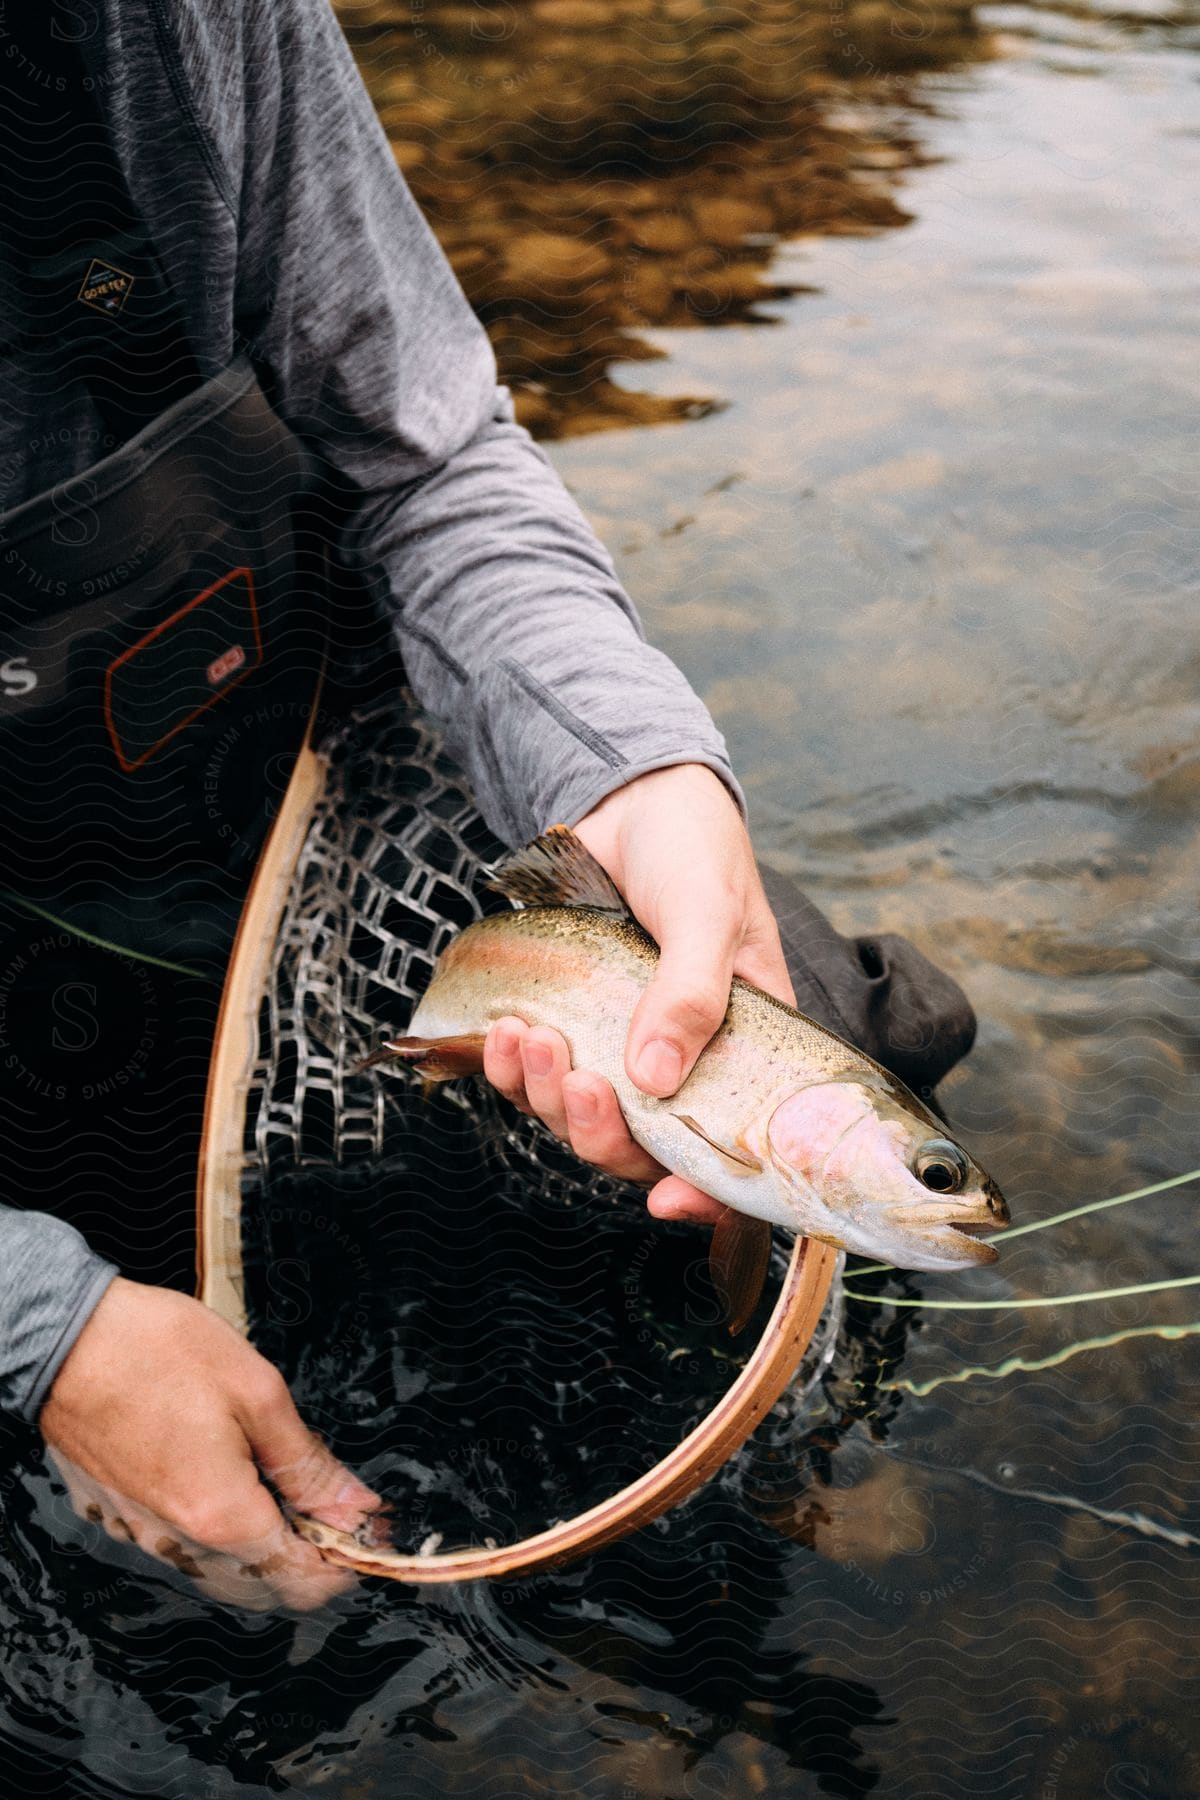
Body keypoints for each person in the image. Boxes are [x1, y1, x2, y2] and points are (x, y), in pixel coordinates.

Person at [0, 1, 973, 1609]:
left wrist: (637, 773)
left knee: (822, 1010)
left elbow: (425, 459)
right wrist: (44, 1331)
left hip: (263, 795)